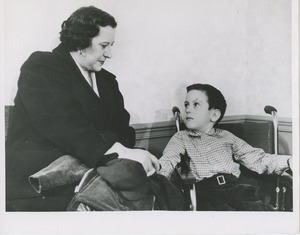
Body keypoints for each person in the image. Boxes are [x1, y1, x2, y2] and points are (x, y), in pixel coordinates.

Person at [6, 6, 159, 211]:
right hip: (42, 185)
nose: (110, 54)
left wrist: (128, 154)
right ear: (80, 43)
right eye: (104, 45)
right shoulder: (43, 66)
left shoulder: (107, 81)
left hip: (96, 178)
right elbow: (63, 125)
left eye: (111, 45)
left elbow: (123, 131)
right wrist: (117, 151)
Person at [158, 83, 292, 211]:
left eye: (196, 104)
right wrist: (155, 172)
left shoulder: (226, 137)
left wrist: (288, 161)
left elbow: (256, 157)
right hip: (205, 192)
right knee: (225, 217)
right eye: (186, 104)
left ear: (214, 115)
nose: (187, 109)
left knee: (259, 210)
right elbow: (168, 159)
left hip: (235, 187)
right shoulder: (181, 137)